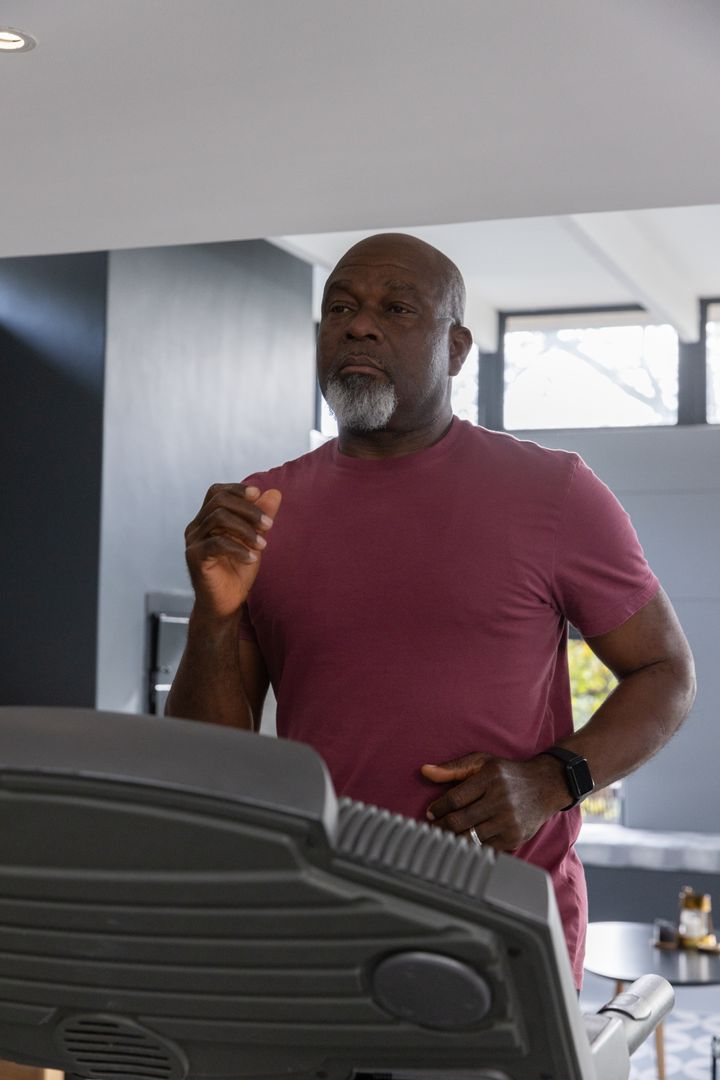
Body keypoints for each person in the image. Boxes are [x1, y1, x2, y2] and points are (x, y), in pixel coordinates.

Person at [166, 232, 696, 988]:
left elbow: (665, 672)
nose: (359, 324)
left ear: (455, 348)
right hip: (314, 927)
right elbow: (211, 764)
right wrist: (215, 618)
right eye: (340, 307)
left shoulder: (555, 493)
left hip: (500, 932)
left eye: (397, 308)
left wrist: (554, 779)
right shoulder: (261, 512)